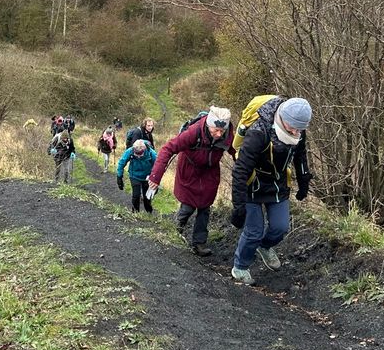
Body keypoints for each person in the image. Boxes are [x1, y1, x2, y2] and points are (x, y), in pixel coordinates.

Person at [229, 96, 313, 285]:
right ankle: (240, 267)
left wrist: (303, 182)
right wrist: (238, 206)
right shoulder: (259, 132)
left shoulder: (299, 131)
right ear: (282, 118)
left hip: (278, 183)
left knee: (280, 227)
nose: (295, 132)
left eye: (299, 129)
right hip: (253, 183)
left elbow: (300, 156)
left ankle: (265, 247)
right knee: (254, 231)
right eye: (292, 127)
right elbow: (240, 170)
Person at [147, 106, 234, 256]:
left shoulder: (227, 135)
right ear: (208, 124)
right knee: (188, 206)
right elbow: (168, 149)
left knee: (205, 207)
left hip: (210, 172)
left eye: (222, 131)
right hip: (189, 170)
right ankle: (175, 231)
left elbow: (237, 151)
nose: (219, 134)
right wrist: (156, 177)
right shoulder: (194, 132)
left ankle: (199, 243)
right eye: (215, 130)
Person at [116, 139, 158, 213]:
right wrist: (119, 177)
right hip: (134, 175)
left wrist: (156, 181)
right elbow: (121, 163)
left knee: (147, 197)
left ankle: (149, 212)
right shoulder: (130, 151)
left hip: (147, 177)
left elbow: (158, 167)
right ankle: (135, 213)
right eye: (136, 154)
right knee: (136, 195)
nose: (138, 156)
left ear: (144, 149)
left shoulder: (152, 153)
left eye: (140, 154)